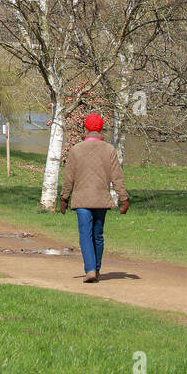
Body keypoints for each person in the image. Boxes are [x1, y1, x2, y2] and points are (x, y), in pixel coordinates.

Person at [59, 113, 129, 282]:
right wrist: (123, 198)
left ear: (86, 129)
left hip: (82, 200)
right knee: (97, 234)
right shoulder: (109, 150)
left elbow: (69, 177)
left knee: (85, 234)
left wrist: (64, 198)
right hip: (101, 200)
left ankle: (90, 270)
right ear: (100, 129)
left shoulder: (76, 149)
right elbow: (117, 177)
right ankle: (96, 269)